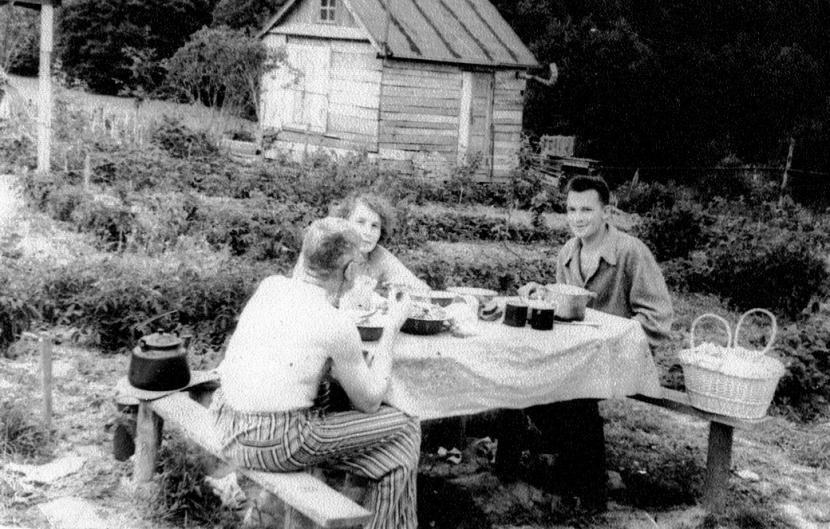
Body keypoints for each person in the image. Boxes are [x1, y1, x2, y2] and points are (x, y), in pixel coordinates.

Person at [212, 217, 421, 529]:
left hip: (225, 422)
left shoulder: (271, 286)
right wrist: (391, 327)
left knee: (328, 399)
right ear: (350, 271)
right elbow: (369, 402)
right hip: (273, 441)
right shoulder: (336, 323)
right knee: (405, 429)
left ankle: (275, 515)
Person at [496, 175, 673, 511]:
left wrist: (608, 336)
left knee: (572, 396)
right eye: (571, 210)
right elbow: (568, 310)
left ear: (606, 212)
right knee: (520, 376)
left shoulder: (631, 252)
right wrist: (542, 294)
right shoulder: (568, 252)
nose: (577, 218)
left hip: (621, 354)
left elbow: (658, 319)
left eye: (587, 210)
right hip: (579, 353)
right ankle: (519, 474)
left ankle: (590, 491)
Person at [329, 192, 428, 293]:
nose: (368, 232)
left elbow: (421, 290)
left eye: (374, 226)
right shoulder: (327, 252)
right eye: (360, 222)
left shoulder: (378, 255)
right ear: (343, 223)